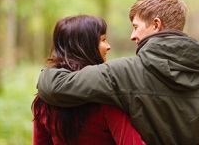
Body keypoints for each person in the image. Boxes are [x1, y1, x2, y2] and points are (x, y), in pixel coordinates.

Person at [37, 0, 199, 145]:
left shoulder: (122, 73)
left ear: (156, 24)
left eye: (136, 27)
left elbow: (56, 86)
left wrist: (49, 69)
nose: (132, 36)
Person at [32, 15, 146, 145]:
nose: (108, 46)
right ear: (86, 46)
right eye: (103, 40)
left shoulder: (43, 101)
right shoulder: (107, 98)